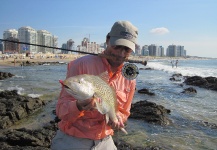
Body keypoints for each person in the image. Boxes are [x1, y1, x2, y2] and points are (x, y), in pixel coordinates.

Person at [51, 21, 138, 150]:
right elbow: (60, 111)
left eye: (127, 49)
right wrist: (78, 106)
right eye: (117, 47)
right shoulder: (80, 65)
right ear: (108, 40)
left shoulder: (129, 78)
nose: (120, 53)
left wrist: (118, 119)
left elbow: (124, 112)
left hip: (106, 140)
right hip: (73, 140)